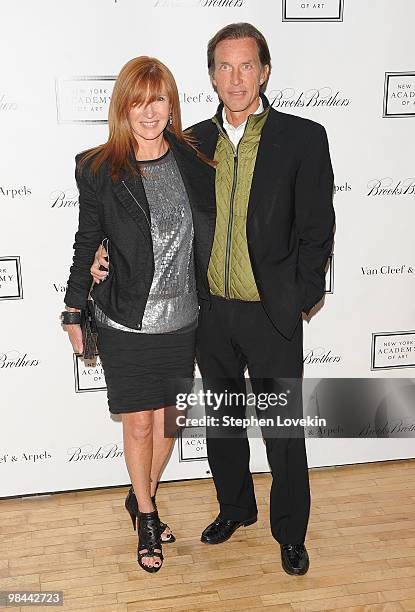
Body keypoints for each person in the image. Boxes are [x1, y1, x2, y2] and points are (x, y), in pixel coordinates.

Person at [92, 22, 335, 576]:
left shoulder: (303, 137)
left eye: (246, 65)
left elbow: (319, 227)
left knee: (281, 429)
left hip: (271, 311)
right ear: (211, 76)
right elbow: (140, 202)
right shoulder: (190, 142)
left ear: (264, 71)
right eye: (224, 67)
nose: (236, 77)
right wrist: (103, 252)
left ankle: (290, 533)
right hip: (206, 311)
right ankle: (235, 508)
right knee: (223, 424)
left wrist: (298, 297)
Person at [61, 56, 215, 573]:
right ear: (123, 107)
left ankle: (139, 493)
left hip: (184, 317)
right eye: (138, 100)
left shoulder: (195, 159)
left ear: (171, 103)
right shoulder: (99, 166)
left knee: (171, 422)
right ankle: (147, 516)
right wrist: (73, 308)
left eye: (159, 99)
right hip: (126, 316)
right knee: (141, 425)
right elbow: (87, 240)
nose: (149, 111)